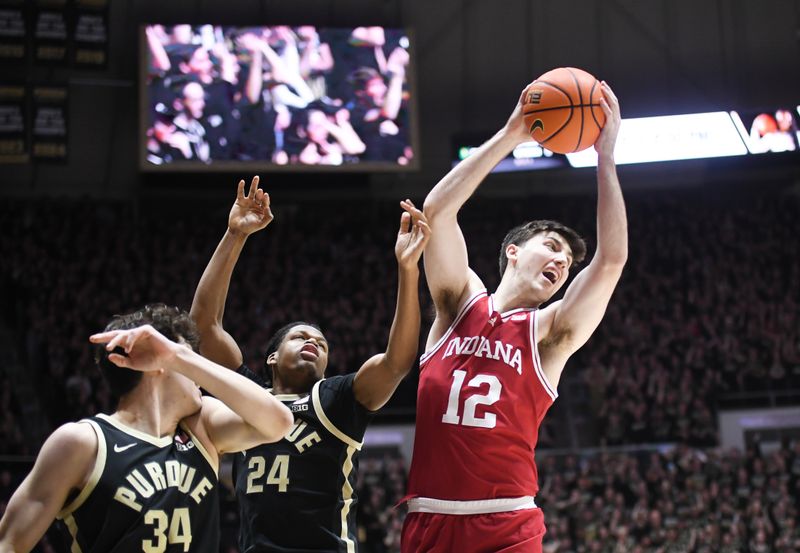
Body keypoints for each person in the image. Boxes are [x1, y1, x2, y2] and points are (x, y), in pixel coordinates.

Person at [401, 80, 626, 552]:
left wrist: (605, 157)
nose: (563, 262)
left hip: (508, 524)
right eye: (552, 247)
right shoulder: (457, 303)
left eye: (567, 262)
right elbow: (437, 213)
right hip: (430, 520)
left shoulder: (548, 333)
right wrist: (510, 135)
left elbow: (610, 261)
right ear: (514, 252)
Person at [189, 176, 430, 552]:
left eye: (321, 343)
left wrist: (409, 269)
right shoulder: (250, 397)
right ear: (272, 357)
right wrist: (234, 235)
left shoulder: (336, 398)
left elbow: (397, 362)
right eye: (300, 337)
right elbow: (203, 328)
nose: (313, 343)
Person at [0, 304, 293, 553]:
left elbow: (279, 422)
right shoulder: (83, 442)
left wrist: (181, 357)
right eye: (188, 358)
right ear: (156, 362)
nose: (198, 373)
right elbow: (10, 544)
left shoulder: (200, 428)